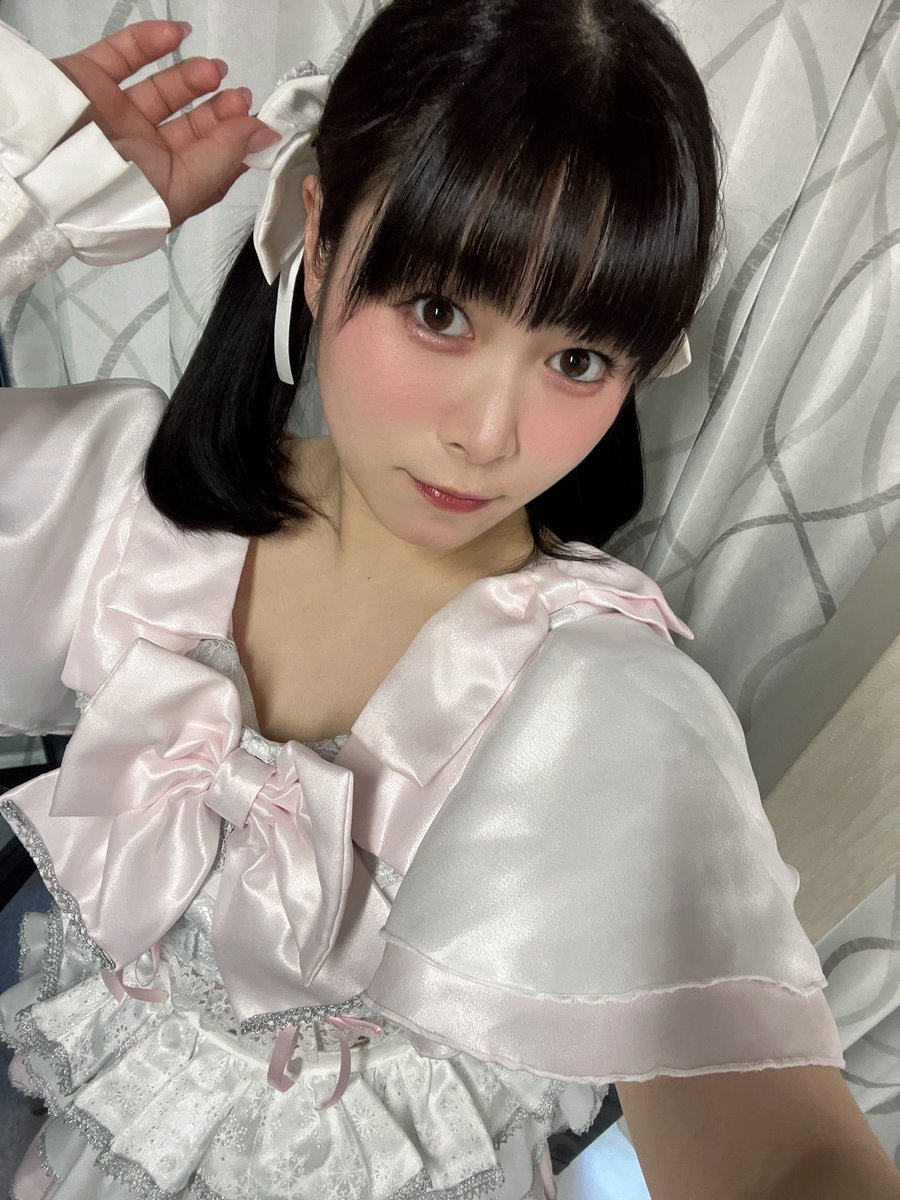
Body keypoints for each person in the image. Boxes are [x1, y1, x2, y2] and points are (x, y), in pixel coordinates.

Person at [0, 4, 897, 1199]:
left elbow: (782, 1149)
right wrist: (25, 195)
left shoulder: (604, 707)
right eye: (439, 312)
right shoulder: (117, 508)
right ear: (321, 240)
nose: (487, 434)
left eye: (576, 360)